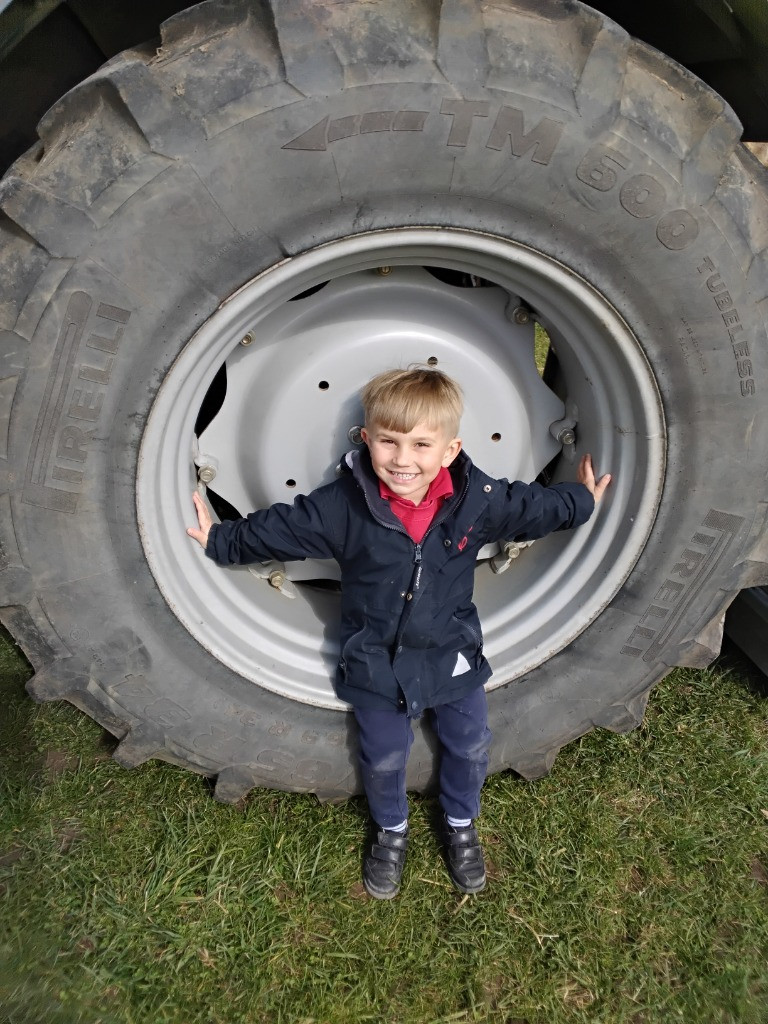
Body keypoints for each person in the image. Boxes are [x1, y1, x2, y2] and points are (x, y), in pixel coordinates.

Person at [187, 367, 611, 899]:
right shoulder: (342, 505)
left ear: (450, 450)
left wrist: (581, 501)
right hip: (375, 660)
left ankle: (460, 825)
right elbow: (283, 527)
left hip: (451, 653)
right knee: (384, 754)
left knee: (471, 743)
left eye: (421, 445)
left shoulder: (477, 500)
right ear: (367, 439)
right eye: (388, 441)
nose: (402, 459)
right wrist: (221, 540)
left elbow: (531, 507)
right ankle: (392, 831)